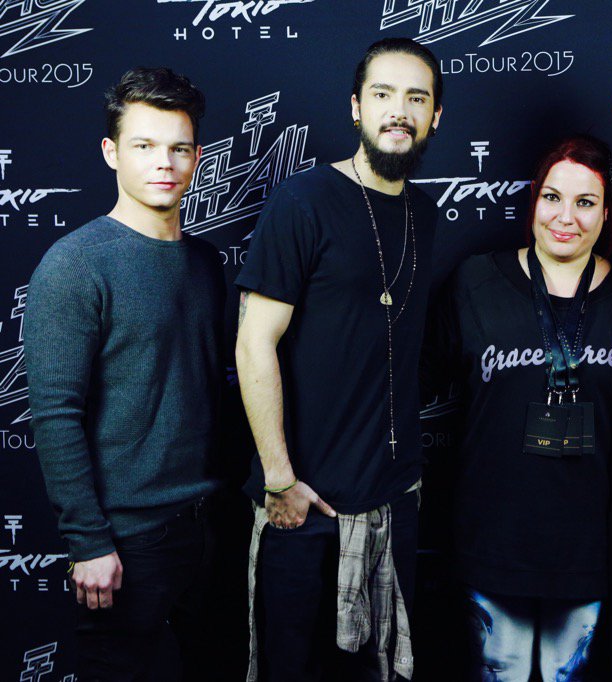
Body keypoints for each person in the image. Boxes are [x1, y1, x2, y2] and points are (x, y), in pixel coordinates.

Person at [234, 37, 441, 681]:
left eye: (416, 98)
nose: (399, 110)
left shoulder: (425, 213)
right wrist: (279, 480)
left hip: (390, 506)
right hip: (303, 508)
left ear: (436, 116)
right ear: (356, 107)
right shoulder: (303, 200)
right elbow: (253, 341)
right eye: (383, 94)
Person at [24, 67, 224, 681]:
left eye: (179, 148)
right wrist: (89, 542)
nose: (164, 162)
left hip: (210, 525)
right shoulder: (75, 265)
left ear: (196, 157)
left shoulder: (206, 262)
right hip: (127, 538)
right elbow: (55, 414)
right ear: (112, 153)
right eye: (144, 145)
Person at [423, 135, 612, 681]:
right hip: (495, 535)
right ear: (534, 199)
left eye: (585, 203)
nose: (566, 217)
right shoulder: (476, 282)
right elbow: (409, 382)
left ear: (607, 213)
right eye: (552, 198)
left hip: (591, 539)